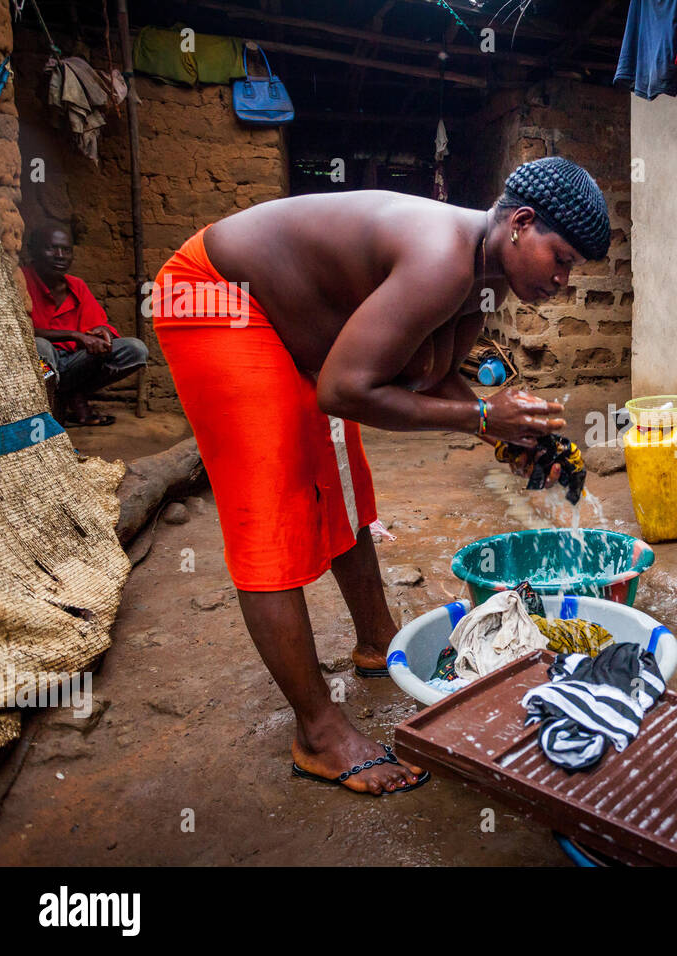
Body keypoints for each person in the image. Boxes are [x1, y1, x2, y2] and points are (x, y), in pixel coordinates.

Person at [152, 156, 612, 794]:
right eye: (560, 258)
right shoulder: (440, 258)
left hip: (297, 333)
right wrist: (482, 415)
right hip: (217, 296)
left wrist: (512, 434)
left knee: (341, 480)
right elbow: (345, 390)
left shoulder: (484, 278)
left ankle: (377, 641)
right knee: (273, 500)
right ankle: (317, 733)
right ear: (522, 223)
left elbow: (425, 372)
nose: (563, 280)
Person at [25, 225, 149, 426]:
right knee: (41, 346)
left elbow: (97, 324)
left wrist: (103, 333)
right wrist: (74, 335)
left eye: (66, 250)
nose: (60, 256)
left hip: (74, 364)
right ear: (32, 250)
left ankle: (74, 393)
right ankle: (51, 406)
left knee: (136, 349)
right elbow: (18, 330)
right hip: (43, 365)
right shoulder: (20, 280)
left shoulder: (76, 286)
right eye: (51, 248)